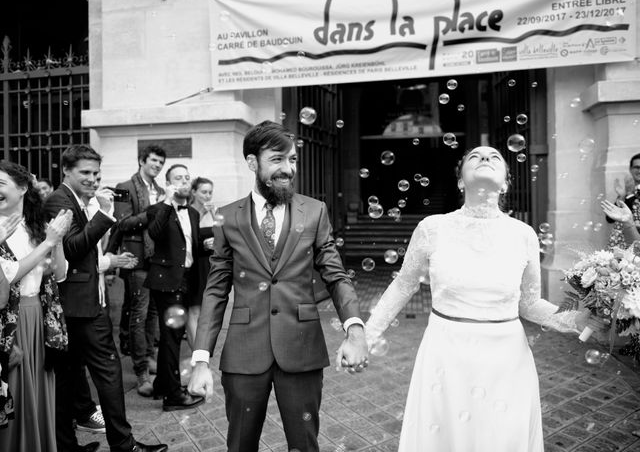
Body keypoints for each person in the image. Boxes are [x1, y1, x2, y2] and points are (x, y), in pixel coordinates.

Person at [365, 146, 596, 452]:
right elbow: (403, 285)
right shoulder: (432, 227)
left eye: (495, 157)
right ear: (461, 182)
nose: (485, 158)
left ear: (505, 184)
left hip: (507, 361)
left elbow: (529, 303)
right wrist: (364, 336)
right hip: (445, 355)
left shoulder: (523, 234)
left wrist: (575, 321)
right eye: (474, 156)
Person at [188, 121, 368, 452]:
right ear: (252, 162)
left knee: (304, 444)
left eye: (293, 160)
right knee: (240, 444)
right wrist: (201, 360)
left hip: (302, 349)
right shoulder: (228, 218)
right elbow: (215, 290)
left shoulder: (314, 211)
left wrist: (355, 330)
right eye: (277, 160)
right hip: (244, 353)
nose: (287, 169)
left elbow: (335, 274)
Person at [44, 145, 167, 452]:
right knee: (108, 374)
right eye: (85, 172)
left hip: (81, 303)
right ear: (66, 171)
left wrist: (108, 258)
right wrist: (103, 214)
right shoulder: (59, 200)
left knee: (69, 377)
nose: (93, 178)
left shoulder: (78, 199)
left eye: (96, 173)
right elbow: (71, 250)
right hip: (80, 307)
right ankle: (123, 445)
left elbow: (85, 252)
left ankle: (68, 446)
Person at [0, 161, 73, 452]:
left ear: (23, 188)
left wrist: (56, 241)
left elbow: (60, 273)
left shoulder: (37, 227)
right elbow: (10, 274)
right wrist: (48, 242)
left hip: (38, 318)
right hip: (10, 321)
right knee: (13, 393)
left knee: (40, 391)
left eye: (0, 184)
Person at [145, 164, 204, 411]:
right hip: (167, 282)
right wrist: (168, 202)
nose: (184, 181)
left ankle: (161, 385)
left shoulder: (193, 213)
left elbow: (191, 247)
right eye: (177, 178)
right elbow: (155, 234)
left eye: (187, 177)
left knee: (173, 337)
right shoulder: (157, 210)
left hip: (187, 279)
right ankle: (172, 395)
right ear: (168, 183)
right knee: (171, 339)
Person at [112, 145, 166, 397]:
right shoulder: (125, 186)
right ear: (142, 161)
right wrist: (152, 212)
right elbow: (123, 222)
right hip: (137, 259)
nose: (157, 165)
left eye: (160, 162)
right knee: (139, 314)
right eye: (153, 161)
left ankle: (150, 356)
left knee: (153, 313)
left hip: (158, 259)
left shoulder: (161, 190)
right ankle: (141, 370)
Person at [187, 177, 216, 348]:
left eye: (210, 192)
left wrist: (213, 215)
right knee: (194, 310)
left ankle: (202, 349)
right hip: (194, 265)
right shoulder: (188, 211)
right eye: (204, 192)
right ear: (194, 192)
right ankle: (196, 354)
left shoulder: (213, 211)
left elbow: (225, 236)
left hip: (208, 266)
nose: (207, 196)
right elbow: (186, 239)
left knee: (206, 311)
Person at [606, 153, 640, 248]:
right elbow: (609, 219)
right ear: (630, 169)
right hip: (620, 243)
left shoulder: (630, 192)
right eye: (636, 167)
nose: (639, 170)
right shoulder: (626, 191)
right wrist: (621, 196)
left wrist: (629, 195)